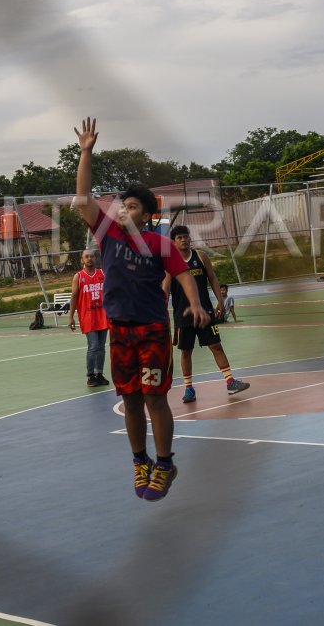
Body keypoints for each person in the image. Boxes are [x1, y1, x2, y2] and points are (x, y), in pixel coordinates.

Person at [71, 117, 210, 502]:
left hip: (151, 328)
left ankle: (165, 463)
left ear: (145, 215)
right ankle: (140, 460)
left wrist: (196, 303)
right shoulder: (109, 234)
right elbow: (83, 199)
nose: (122, 210)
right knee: (129, 398)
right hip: (121, 329)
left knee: (153, 397)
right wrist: (86, 152)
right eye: (121, 205)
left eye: (130, 206)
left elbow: (183, 276)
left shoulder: (160, 243)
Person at [163, 225, 250, 404]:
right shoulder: (170, 262)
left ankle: (230, 382)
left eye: (186, 237)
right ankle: (188, 389)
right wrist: (160, 308)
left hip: (205, 312)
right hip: (183, 315)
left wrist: (220, 301)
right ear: (174, 241)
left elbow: (213, 278)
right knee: (186, 352)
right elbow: (165, 287)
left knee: (216, 346)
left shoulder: (200, 257)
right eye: (179, 237)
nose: (184, 240)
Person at [68, 249, 110, 387]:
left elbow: (110, 293)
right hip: (87, 317)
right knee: (93, 346)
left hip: (103, 316)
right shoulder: (78, 276)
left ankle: (100, 374)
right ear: (82, 260)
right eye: (86, 257)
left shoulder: (102, 273)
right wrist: (71, 317)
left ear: (95, 258)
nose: (89, 259)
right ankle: (90, 376)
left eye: (91, 256)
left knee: (101, 347)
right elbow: (74, 297)